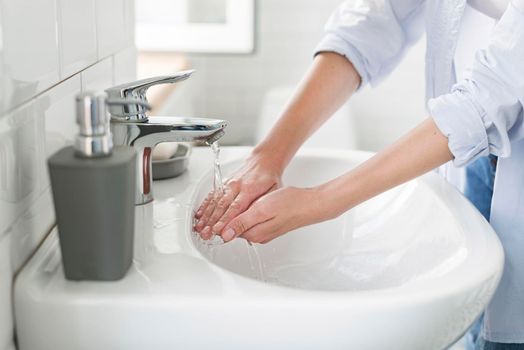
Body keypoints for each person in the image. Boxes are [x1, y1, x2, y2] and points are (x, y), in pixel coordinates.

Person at [194, 1, 524, 349]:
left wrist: (322, 201)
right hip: (472, 157)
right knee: (476, 325)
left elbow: (488, 98)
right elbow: (369, 23)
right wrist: (269, 154)